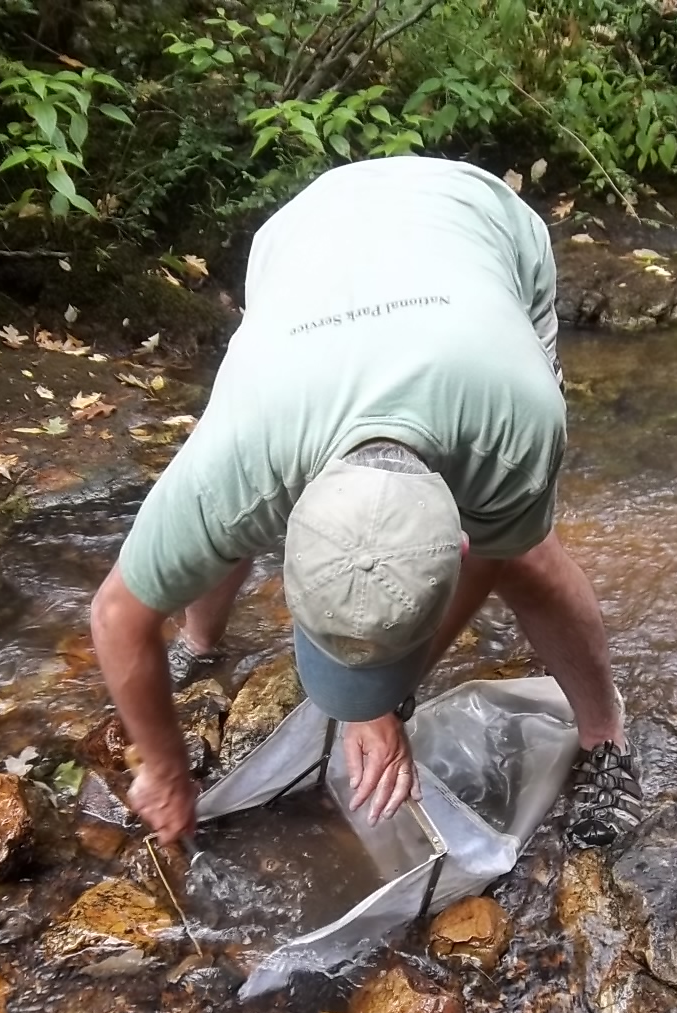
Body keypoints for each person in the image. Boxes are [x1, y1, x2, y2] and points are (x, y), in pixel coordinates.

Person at [91, 156, 643, 849]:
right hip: (306, 238)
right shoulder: (238, 465)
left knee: (531, 554)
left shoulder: (512, 423)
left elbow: (495, 557)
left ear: (451, 545)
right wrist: (165, 769)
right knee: (212, 535)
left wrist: (385, 699)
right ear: (285, 523)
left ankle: (606, 737)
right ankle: (201, 643)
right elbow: (117, 615)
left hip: (476, 223)